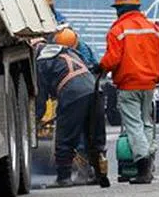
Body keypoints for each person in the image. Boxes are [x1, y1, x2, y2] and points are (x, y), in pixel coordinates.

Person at [95, 0, 159, 185]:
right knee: (146, 122)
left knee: (134, 125)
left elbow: (113, 59)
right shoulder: (154, 29)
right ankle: (149, 161)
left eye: (117, 8)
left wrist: (100, 67)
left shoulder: (118, 30)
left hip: (128, 86)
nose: (116, 12)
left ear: (122, 9)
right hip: (149, 86)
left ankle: (142, 167)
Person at [35, 28, 107, 188]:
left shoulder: (41, 61)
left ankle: (63, 178)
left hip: (73, 93)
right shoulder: (70, 53)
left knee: (65, 136)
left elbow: (41, 97)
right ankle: (99, 173)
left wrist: (36, 120)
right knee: (94, 135)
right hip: (95, 90)